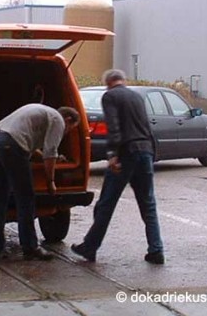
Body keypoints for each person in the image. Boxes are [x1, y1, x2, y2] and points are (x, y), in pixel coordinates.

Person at [71, 69, 165, 265]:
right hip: (145, 151)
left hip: (126, 153)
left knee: (106, 202)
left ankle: (90, 247)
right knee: (148, 204)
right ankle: (156, 250)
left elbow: (114, 126)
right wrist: (152, 153)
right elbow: (146, 127)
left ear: (108, 83)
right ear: (123, 80)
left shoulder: (110, 96)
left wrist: (113, 154)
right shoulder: (137, 97)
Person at [0, 103, 80, 261]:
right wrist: (50, 181)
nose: (67, 132)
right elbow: (49, 153)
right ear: (68, 119)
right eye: (70, 128)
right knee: (25, 199)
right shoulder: (58, 120)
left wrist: (51, 156)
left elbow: (29, 146)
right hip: (10, 145)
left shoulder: (43, 113)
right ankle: (30, 247)